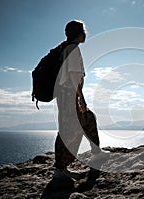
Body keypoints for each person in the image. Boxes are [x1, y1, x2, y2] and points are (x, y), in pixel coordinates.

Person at [53, 20, 103, 179]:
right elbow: (74, 76)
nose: (86, 34)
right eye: (84, 31)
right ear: (79, 33)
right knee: (76, 125)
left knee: (79, 122)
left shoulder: (63, 47)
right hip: (70, 94)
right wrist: (81, 98)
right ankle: (61, 169)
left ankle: (94, 154)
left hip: (63, 94)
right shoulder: (73, 49)